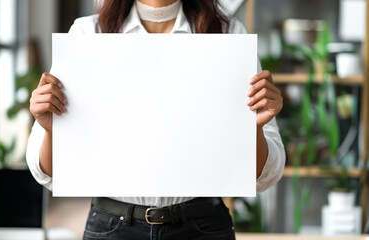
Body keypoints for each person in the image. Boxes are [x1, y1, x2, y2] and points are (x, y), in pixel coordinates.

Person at [27, 0, 286, 239]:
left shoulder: (227, 33)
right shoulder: (88, 34)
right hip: (113, 228)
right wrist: (51, 130)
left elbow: (264, 176)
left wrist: (254, 128)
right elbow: (49, 173)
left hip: (202, 226)